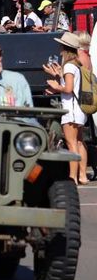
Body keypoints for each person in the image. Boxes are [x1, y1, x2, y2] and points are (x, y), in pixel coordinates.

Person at [43, 32, 88, 184]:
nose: (59, 47)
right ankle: (82, 175)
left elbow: (68, 89)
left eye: (61, 45)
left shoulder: (69, 65)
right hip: (79, 109)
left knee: (71, 143)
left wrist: (56, 86)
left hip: (71, 109)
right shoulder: (76, 64)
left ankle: (73, 177)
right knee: (80, 142)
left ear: (65, 48)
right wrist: (57, 77)